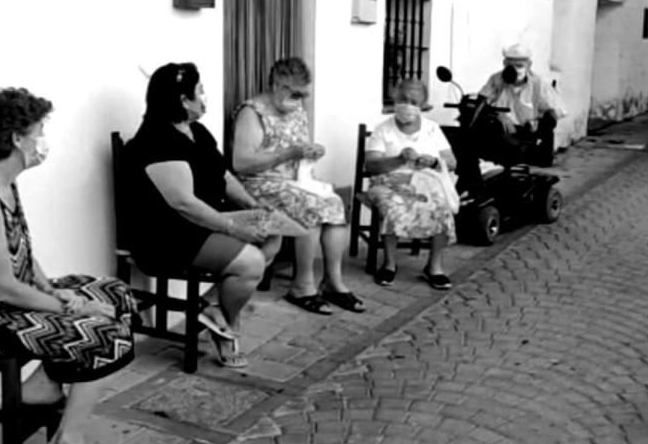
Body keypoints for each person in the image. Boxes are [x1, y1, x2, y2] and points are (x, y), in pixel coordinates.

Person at [0, 88, 133, 444]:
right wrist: (74, 306)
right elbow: (2, 288)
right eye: (39, 129)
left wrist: (54, 290)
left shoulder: (4, 184)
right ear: (16, 139)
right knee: (105, 333)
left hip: (5, 305)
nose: (44, 138)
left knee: (116, 293)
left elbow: (22, 251)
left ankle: (41, 386)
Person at [125, 62, 281, 368]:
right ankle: (227, 330)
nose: (205, 96)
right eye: (200, 91)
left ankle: (214, 311)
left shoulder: (196, 131)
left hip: (205, 222)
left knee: (272, 235)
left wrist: (252, 206)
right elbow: (183, 204)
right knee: (251, 262)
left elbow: (221, 175)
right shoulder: (156, 140)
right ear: (183, 100)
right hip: (168, 234)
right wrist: (235, 229)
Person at [232, 57, 365, 316]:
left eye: (304, 95)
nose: (300, 100)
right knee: (311, 207)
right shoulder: (252, 112)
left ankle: (333, 282)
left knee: (335, 203)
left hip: (295, 182)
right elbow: (241, 163)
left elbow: (298, 149)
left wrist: (311, 152)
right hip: (260, 185)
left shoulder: (297, 111)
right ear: (278, 86)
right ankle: (303, 286)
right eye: (296, 94)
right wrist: (287, 153)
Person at [364, 79, 459, 290]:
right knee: (393, 206)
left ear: (423, 105)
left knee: (441, 207)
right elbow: (371, 165)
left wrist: (433, 161)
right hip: (390, 182)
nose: (408, 105)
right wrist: (398, 159)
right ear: (395, 100)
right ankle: (389, 263)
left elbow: (451, 162)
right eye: (403, 99)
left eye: (414, 101)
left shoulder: (432, 129)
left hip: (425, 182)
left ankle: (434, 267)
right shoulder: (383, 129)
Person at [476, 43, 566, 167]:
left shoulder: (537, 83)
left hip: (527, 130)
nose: (515, 70)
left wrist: (538, 123)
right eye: (510, 66)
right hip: (501, 129)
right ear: (504, 65)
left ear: (529, 66)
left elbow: (555, 111)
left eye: (519, 66)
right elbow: (482, 102)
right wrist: (499, 116)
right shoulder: (496, 79)